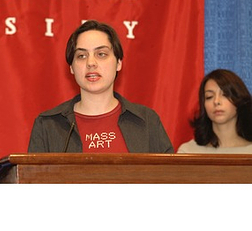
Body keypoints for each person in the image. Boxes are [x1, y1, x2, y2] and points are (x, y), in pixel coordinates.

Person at [28, 20, 173, 153]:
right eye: (81, 56)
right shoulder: (48, 125)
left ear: (118, 63)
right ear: (71, 67)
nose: (91, 63)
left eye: (101, 54)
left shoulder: (147, 121)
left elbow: (169, 178)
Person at [177, 69, 252, 153]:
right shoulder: (188, 152)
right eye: (209, 97)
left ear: (239, 99)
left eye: (225, 95)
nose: (216, 102)